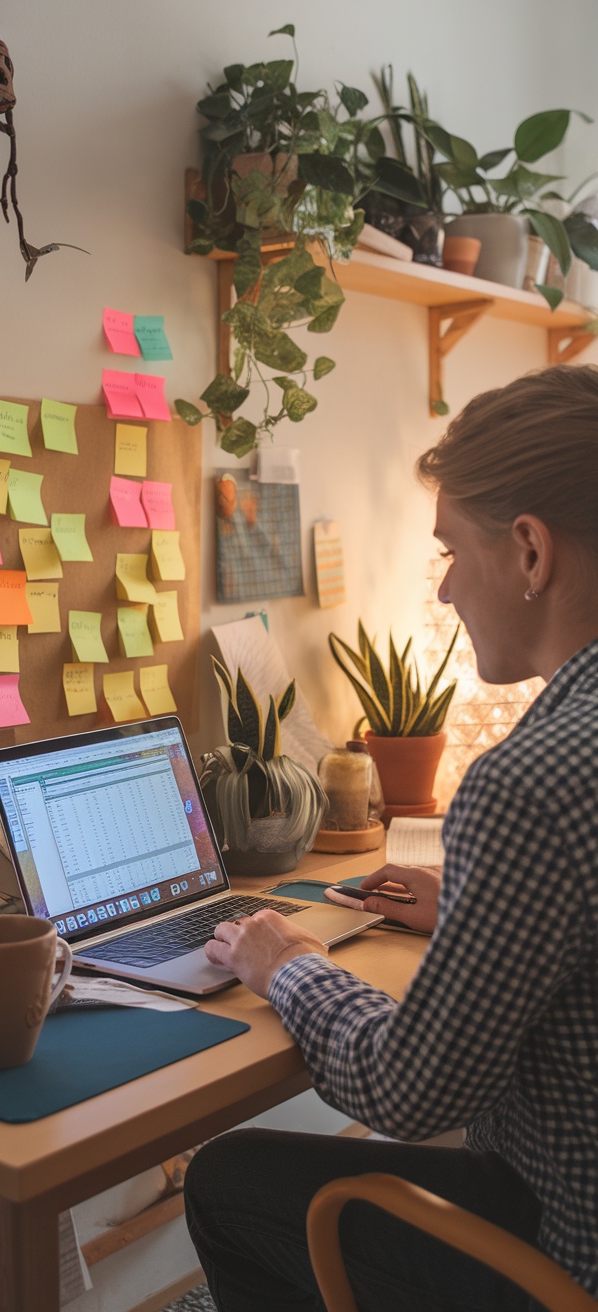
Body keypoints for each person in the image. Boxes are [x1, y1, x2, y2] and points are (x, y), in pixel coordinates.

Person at [183, 363, 598, 1311]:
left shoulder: (531, 782)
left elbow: (409, 1093)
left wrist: (285, 959)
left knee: (229, 1175)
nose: (446, 589)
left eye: (451, 551)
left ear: (531, 552)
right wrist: (479, 915)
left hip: (567, 1249)